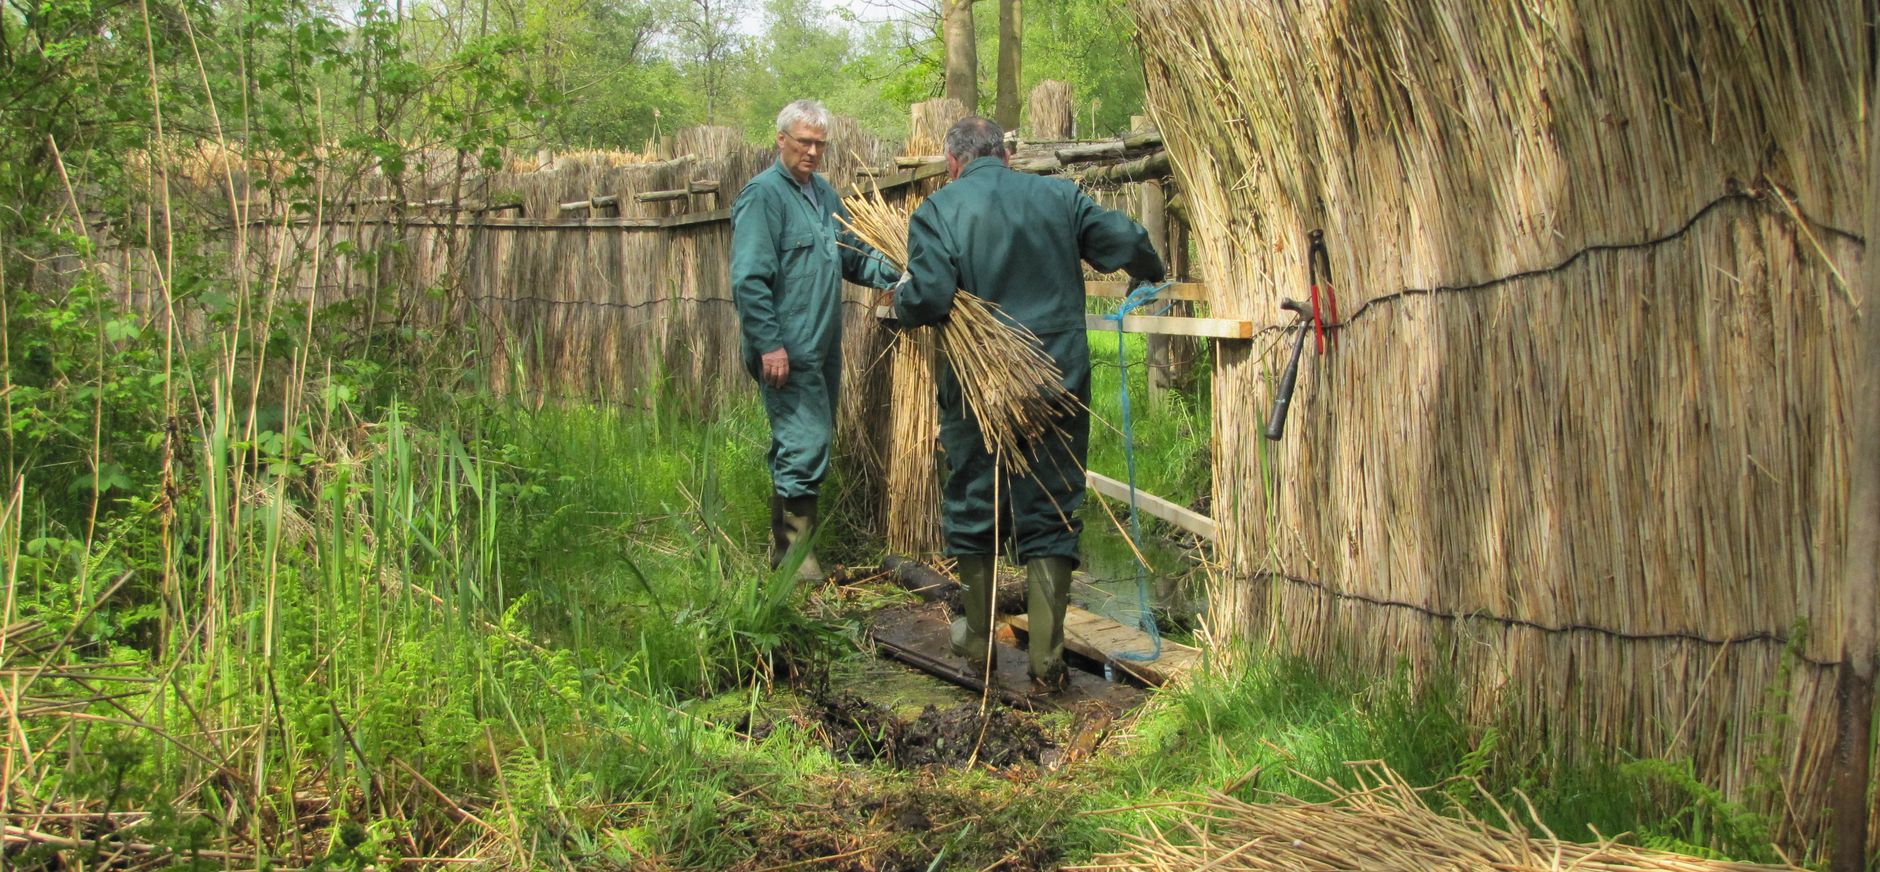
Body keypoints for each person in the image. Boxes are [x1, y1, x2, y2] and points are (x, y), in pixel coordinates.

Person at [893, 116, 1165, 690]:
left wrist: (902, 300)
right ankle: (1047, 661)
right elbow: (1128, 241)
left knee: (974, 503)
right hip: (1055, 383)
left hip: (975, 391)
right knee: (1052, 507)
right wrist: (1152, 268)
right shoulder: (1058, 196)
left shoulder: (938, 210)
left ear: (953, 162)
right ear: (1007, 156)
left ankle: (976, 646)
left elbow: (930, 295)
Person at [731, 100, 900, 581]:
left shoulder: (822, 193)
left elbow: (851, 254)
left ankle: (783, 556)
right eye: (803, 141)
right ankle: (795, 563)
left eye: (819, 144)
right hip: (786, 350)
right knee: (804, 444)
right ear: (780, 139)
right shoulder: (763, 197)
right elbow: (749, 280)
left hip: (820, 347)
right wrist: (769, 344)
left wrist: (895, 272)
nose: (811, 151)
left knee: (803, 443)